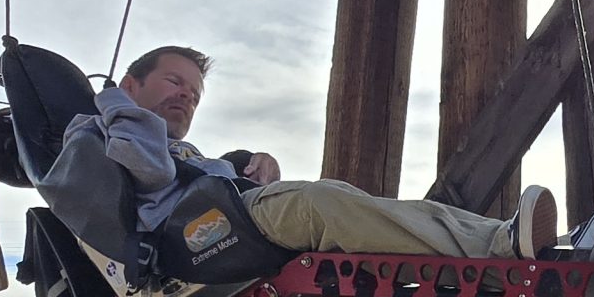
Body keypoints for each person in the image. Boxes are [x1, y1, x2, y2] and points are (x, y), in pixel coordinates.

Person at [91, 44, 557, 260]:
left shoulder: (172, 145)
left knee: (342, 201)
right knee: (325, 202)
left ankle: (504, 244)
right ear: (131, 84)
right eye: (174, 82)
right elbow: (148, 173)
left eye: (194, 93)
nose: (186, 97)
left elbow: (174, 169)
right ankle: (498, 244)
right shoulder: (104, 129)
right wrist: (113, 101)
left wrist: (252, 165)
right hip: (192, 237)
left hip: (226, 216)